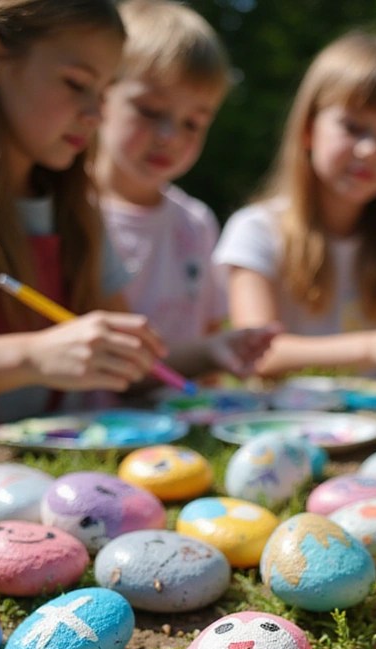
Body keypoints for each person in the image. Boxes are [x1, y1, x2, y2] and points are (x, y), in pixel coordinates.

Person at [0, 0, 167, 469]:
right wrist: (34, 356)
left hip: (45, 484)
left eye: (104, 93)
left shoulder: (76, 212)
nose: (95, 114)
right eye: (77, 84)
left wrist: (207, 352)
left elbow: (126, 362)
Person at [212, 30, 376, 379]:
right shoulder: (256, 231)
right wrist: (374, 347)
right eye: (353, 127)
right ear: (308, 129)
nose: (370, 150)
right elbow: (255, 354)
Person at [96, 0, 275, 378]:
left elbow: (210, 344)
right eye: (149, 110)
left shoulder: (196, 222)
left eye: (193, 123)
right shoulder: (70, 211)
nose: (169, 137)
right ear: (101, 96)